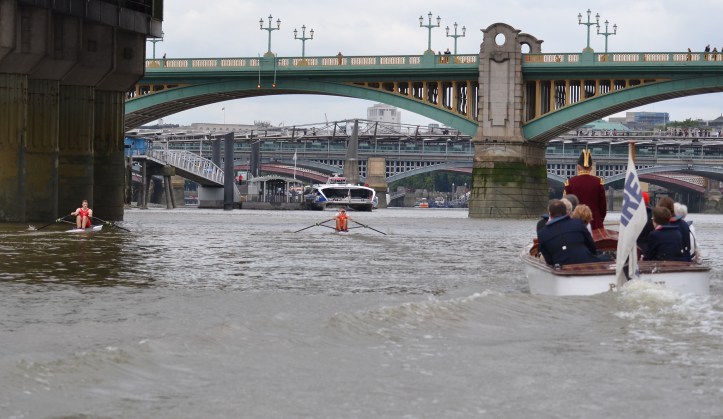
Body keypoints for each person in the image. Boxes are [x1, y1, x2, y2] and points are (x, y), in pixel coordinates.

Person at [537, 199, 602, 266]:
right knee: (606, 257)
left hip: (561, 266)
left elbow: (549, 260)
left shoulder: (542, 233)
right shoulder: (578, 223)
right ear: (566, 212)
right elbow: (592, 247)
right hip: (586, 262)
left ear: (550, 214)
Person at [564, 149, 607, 230]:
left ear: (578, 167)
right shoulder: (598, 182)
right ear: (591, 168)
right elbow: (603, 206)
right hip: (595, 220)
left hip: (575, 220)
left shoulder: (570, 182)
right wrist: (600, 219)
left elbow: (566, 205)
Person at [658, 196, 692, 261]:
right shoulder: (684, 224)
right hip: (684, 259)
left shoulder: (660, 225)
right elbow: (688, 246)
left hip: (665, 260)